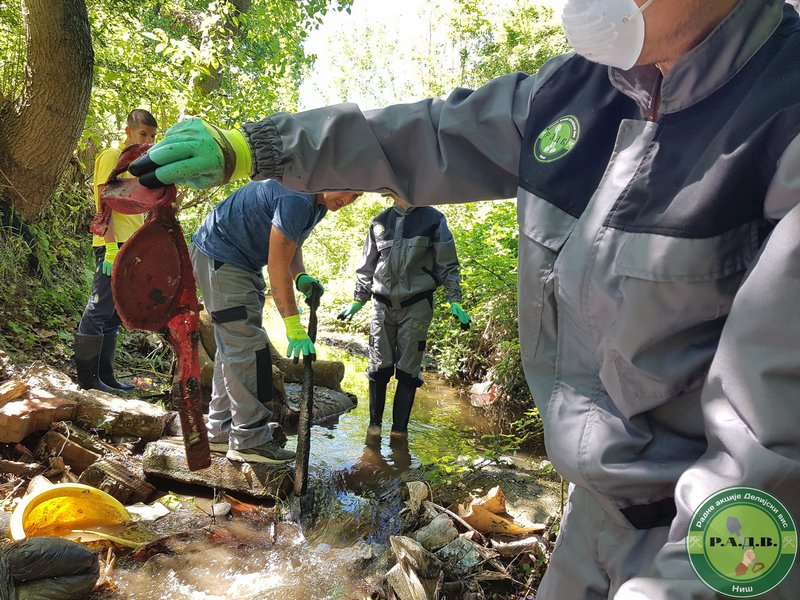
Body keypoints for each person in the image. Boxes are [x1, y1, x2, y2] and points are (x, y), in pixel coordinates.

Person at [129, 0, 800, 596]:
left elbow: (771, 454)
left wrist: (446, 300)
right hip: (590, 520)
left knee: (406, 379)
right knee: (376, 372)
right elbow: (424, 133)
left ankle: (388, 444)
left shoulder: (782, 118)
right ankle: (358, 444)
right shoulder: (574, 95)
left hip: (706, 538)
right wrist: (261, 146)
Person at [190, 179, 361, 464]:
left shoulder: (316, 203)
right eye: (349, 189)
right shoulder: (297, 198)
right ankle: (249, 439)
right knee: (248, 348)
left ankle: (220, 431)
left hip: (235, 261)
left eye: (358, 195)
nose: (350, 199)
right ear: (330, 175)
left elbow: (288, 247)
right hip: (222, 257)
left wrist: (301, 276)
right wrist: (292, 325)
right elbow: (277, 264)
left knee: (234, 345)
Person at [337, 196, 470, 439]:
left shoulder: (433, 219)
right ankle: (373, 429)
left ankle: (399, 433)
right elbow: (366, 267)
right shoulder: (379, 222)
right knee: (378, 368)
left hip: (417, 305)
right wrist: (358, 300)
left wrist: (455, 299)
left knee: (408, 371)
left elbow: (448, 265)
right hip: (381, 305)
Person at [74, 109, 157, 393]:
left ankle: (106, 377)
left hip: (132, 245)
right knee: (99, 309)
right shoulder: (112, 157)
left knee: (115, 314)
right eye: (143, 134)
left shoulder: (138, 166)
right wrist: (109, 247)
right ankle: (88, 380)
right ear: (128, 132)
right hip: (113, 245)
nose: (147, 140)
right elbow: (104, 204)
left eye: (152, 136)